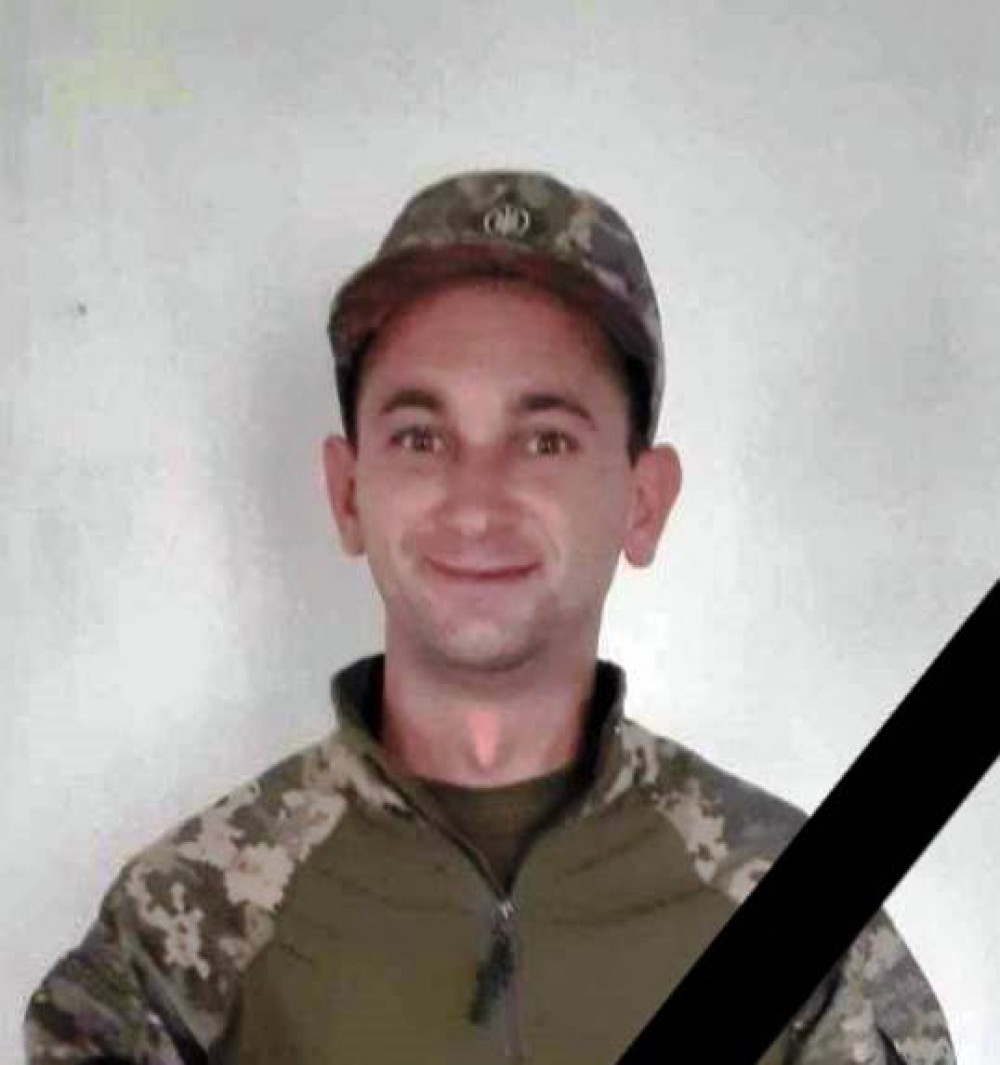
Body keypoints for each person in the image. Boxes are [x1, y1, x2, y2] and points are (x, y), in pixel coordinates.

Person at [23, 170, 955, 1065]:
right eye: (420, 437)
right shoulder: (179, 931)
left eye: (545, 439)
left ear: (643, 502)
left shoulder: (797, 917)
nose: (476, 501)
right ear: (348, 493)